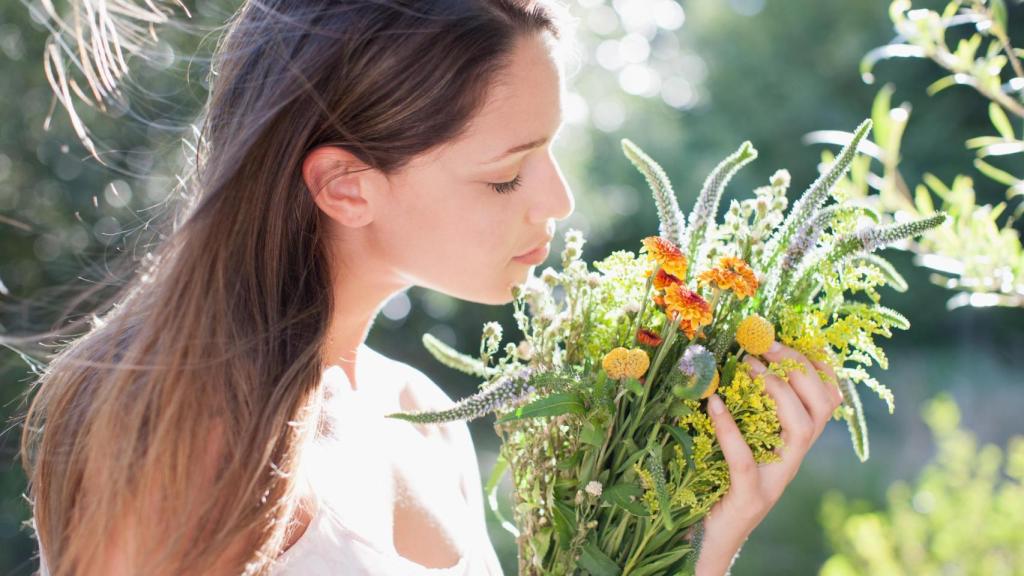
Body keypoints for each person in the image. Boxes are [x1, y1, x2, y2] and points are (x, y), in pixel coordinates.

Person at [11, 1, 844, 575]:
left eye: (549, 151)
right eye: (507, 174)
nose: (559, 201)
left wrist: (701, 543)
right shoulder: (178, 431)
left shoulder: (421, 413)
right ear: (345, 187)